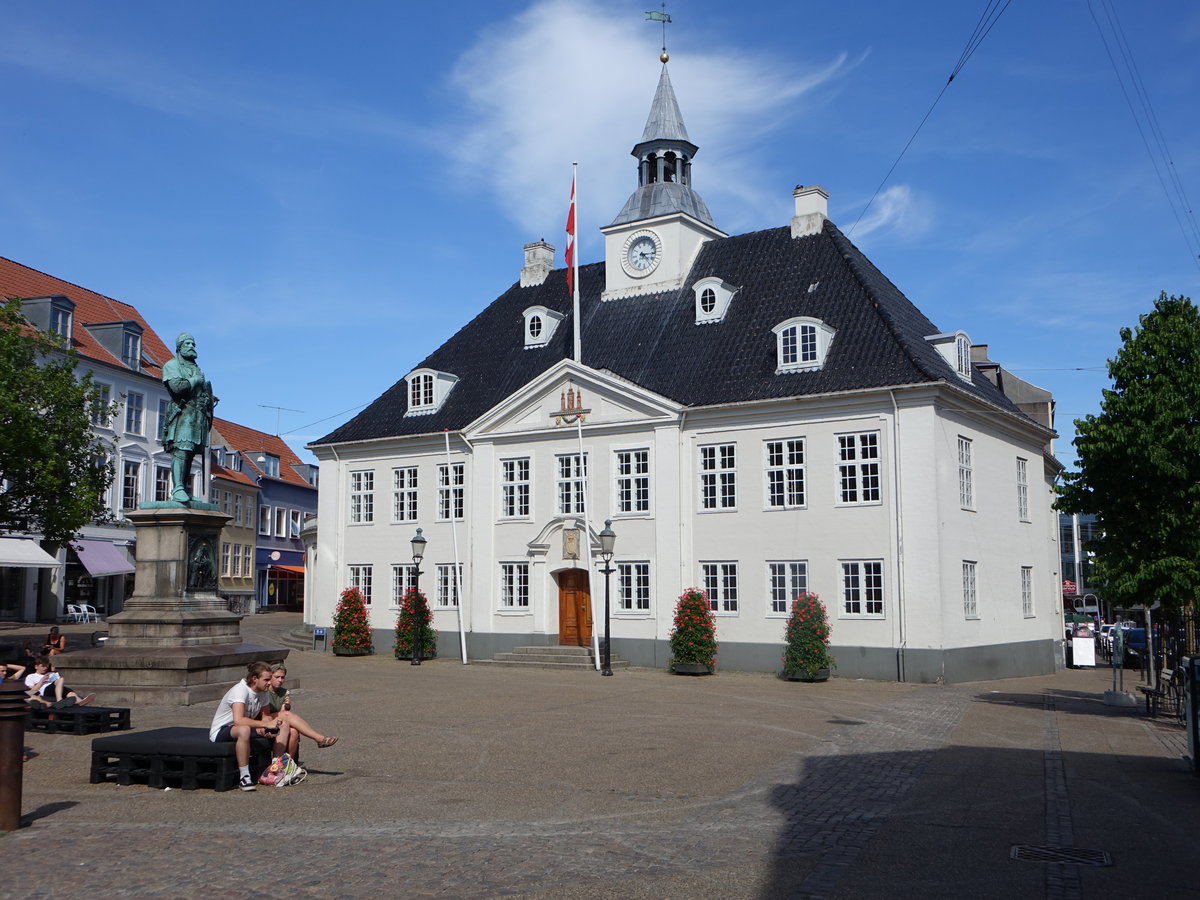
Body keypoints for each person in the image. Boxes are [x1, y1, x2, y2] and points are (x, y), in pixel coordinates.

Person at [209, 661, 290, 792]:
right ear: (254, 678)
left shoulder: (263, 691)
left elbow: (266, 716)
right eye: (266, 679)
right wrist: (265, 724)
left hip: (245, 727)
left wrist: (270, 726)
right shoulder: (240, 690)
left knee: (284, 725)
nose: (269, 683)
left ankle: (274, 768)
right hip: (222, 730)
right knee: (244, 729)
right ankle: (244, 777)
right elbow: (238, 720)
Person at [161, 332, 216, 502]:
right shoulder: (172, 365)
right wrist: (195, 381)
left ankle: (183, 488)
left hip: (197, 416)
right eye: (187, 344)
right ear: (179, 347)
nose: (191, 346)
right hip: (182, 414)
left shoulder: (195, 368)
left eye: (193, 344)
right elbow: (177, 387)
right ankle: (177, 488)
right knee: (182, 451)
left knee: (190, 453)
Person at [261, 664, 338, 757]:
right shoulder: (264, 690)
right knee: (287, 714)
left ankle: (288, 764)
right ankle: (319, 738)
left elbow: (283, 711)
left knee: (294, 732)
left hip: (279, 720)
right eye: (277, 677)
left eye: (282, 677)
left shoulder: (284, 692)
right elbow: (277, 714)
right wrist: (285, 711)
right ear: (270, 677)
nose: (280, 680)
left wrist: (287, 705)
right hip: (264, 720)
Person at [25, 657, 95, 708]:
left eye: (46, 666)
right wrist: (42, 680)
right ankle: (59, 700)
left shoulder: (50, 673)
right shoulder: (31, 676)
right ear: (36, 666)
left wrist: (53, 674)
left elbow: (59, 684)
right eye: (43, 666)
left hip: (56, 688)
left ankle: (80, 702)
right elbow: (32, 690)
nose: (45, 668)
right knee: (61, 680)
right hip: (45, 690)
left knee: (70, 693)